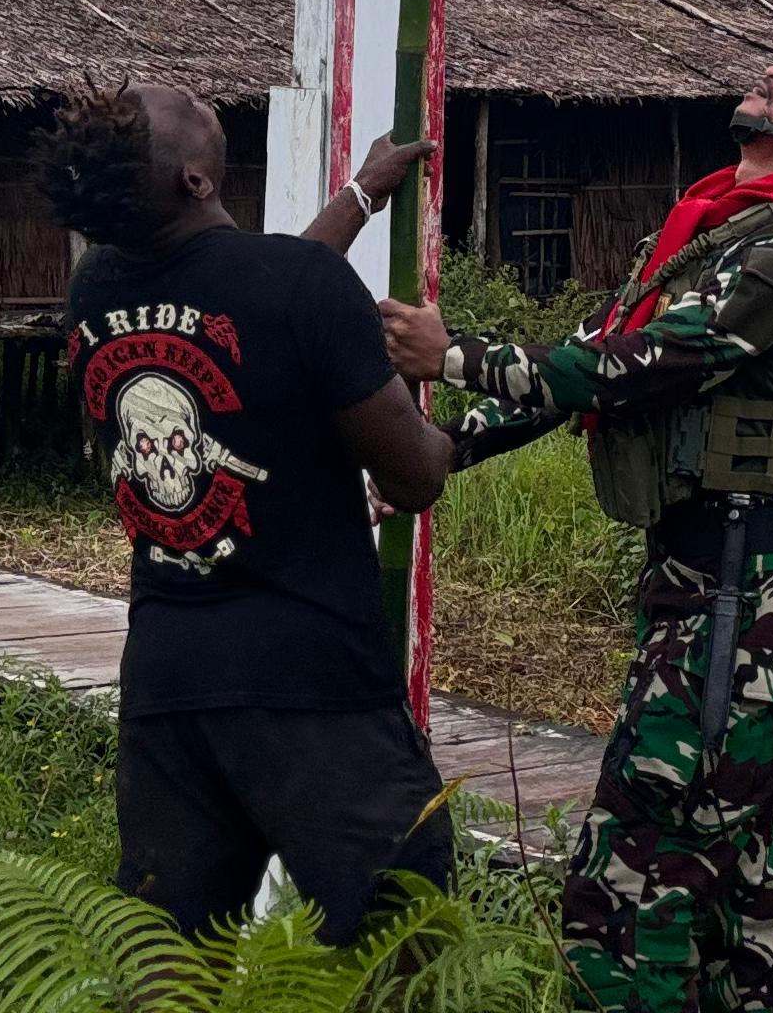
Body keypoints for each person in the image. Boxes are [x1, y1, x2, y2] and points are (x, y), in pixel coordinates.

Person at [378, 16, 773, 1013]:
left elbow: (632, 370)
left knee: (634, 886)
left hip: (736, 605)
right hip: (701, 592)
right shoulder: (719, 231)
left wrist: (455, 357)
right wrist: (449, 445)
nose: (769, 76)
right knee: (726, 890)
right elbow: (592, 357)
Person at [44, 83, 454, 940]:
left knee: (170, 963)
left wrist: (361, 195)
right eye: (187, 105)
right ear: (198, 180)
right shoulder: (296, 287)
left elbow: (254, 292)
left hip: (167, 680)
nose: (196, 97)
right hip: (312, 686)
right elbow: (414, 478)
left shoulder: (92, 294)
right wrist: (453, 393)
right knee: (407, 940)